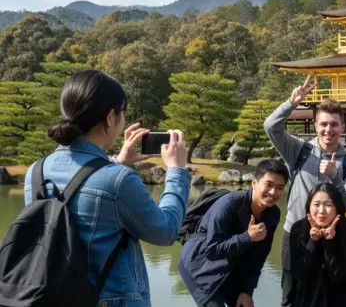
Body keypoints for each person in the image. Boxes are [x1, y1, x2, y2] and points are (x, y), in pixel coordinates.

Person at [23, 70, 191, 306]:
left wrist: (117, 161)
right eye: (122, 114)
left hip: (48, 298)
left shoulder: (35, 172)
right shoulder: (118, 180)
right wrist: (176, 170)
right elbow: (165, 232)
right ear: (110, 117)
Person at [264, 75, 346, 307]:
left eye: (334, 124)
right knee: (290, 293)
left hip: (331, 239)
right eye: (323, 124)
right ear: (316, 125)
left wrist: (335, 176)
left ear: (343, 127)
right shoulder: (299, 150)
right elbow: (270, 127)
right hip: (295, 233)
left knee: (324, 293)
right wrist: (292, 102)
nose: (328, 130)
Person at [178, 159, 288, 307]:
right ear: (254, 183)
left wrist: (247, 291)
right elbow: (212, 251)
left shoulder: (273, 213)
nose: (273, 192)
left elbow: (259, 256)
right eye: (268, 185)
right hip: (200, 264)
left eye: (279, 187)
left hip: (231, 267)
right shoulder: (230, 203)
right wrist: (247, 237)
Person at [289, 183, 346, 307]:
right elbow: (300, 274)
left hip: (345, 293)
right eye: (316, 204)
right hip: (310, 293)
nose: (321, 211)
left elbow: (338, 276)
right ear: (309, 206)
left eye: (328, 205)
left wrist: (329, 242)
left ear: (338, 208)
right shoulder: (298, 229)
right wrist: (313, 242)